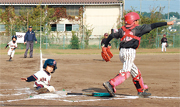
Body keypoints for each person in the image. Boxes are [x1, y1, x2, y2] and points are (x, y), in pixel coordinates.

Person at [102, 12, 175, 97]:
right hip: (129, 52)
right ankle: (110, 84)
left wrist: (105, 46)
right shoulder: (139, 29)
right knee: (126, 73)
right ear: (133, 21)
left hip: (122, 52)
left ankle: (141, 90)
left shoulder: (122, 29)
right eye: (137, 20)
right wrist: (167, 23)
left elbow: (111, 35)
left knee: (136, 72)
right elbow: (154, 25)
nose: (138, 22)